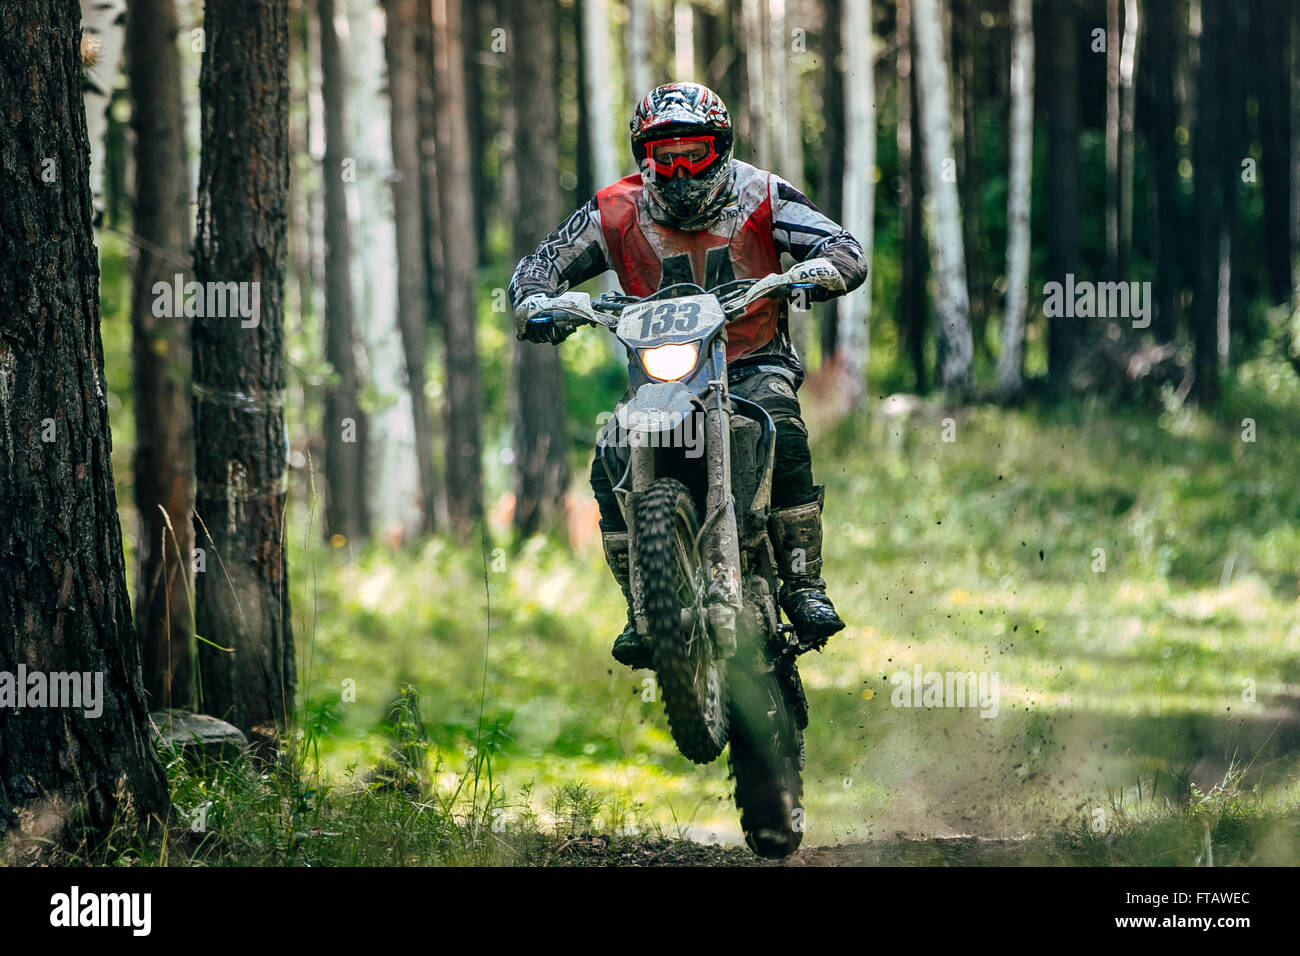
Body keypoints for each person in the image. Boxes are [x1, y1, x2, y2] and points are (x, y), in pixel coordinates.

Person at [508, 82, 867, 670]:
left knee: (783, 426)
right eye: (663, 155)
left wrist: (816, 272)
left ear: (720, 147)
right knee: (610, 460)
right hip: (661, 375)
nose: (678, 170)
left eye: (692, 153)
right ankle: (641, 605)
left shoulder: (762, 194)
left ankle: (804, 583)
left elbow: (844, 246)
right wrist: (536, 302)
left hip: (753, 361)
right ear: (642, 157)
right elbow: (540, 265)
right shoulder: (613, 210)